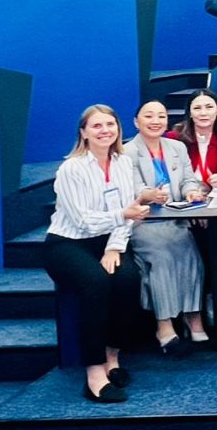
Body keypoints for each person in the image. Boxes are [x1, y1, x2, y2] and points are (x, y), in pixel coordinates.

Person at [45, 104, 151, 403]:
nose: (105, 131)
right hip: (67, 242)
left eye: (110, 124)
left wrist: (115, 246)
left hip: (108, 240)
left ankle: (112, 358)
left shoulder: (122, 163)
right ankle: (93, 374)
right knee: (96, 282)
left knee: (128, 278)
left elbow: (128, 215)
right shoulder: (71, 169)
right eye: (97, 126)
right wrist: (123, 215)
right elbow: (82, 219)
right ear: (84, 133)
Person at [122, 100, 209, 355]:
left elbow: (188, 180)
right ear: (136, 122)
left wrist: (192, 191)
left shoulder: (177, 147)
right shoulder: (127, 152)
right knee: (162, 257)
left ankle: (193, 316)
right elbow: (133, 188)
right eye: (149, 116)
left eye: (161, 116)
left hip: (175, 219)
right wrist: (148, 195)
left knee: (191, 256)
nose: (156, 121)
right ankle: (164, 323)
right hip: (144, 221)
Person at [176, 86, 217, 193]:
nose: (203, 113)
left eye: (209, 107)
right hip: (184, 195)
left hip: (214, 195)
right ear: (190, 113)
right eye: (197, 108)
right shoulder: (175, 139)